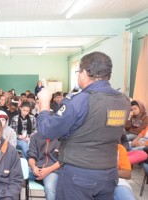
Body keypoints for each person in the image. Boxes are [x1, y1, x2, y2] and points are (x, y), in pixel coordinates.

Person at [36, 52, 131, 199]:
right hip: (108, 174)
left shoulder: (80, 101)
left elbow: (46, 130)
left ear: (85, 73)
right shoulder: (123, 100)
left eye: (78, 71)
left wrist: (44, 102)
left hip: (79, 175)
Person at [27, 132, 60, 200]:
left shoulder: (61, 138)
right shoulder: (35, 137)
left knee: (49, 188)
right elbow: (31, 156)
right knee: (14, 173)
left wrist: (47, 170)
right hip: (36, 169)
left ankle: (43, 180)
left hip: (52, 171)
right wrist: (33, 167)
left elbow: (62, 161)